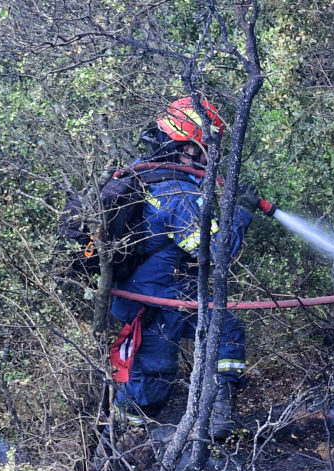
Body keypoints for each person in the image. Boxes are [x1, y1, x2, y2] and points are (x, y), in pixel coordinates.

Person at [110, 97, 259, 442]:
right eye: (207, 149)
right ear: (187, 150)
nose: (212, 158)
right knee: (149, 385)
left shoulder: (149, 172)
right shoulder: (177, 192)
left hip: (170, 296)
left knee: (227, 332)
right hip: (153, 305)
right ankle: (118, 460)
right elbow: (218, 251)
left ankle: (218, 423)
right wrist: (241, 213)